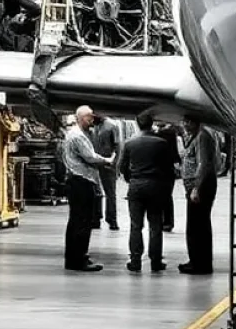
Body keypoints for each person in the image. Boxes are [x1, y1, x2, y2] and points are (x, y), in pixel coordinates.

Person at [118, 110, 175, 274]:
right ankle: (156, 261)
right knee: (155, 225)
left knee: (136, 225)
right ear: (152, 124)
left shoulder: (129, 143)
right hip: (156, 186)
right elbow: (168, 168)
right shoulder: (161, 143)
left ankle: (135, 261)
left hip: (136, 186)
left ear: (137, 123)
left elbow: (122, 167)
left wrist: (132, 179)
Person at [62, 106, 113, 272]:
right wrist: (108, 160)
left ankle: (74, 258)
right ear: (80, 118)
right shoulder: (78, 136)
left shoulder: (77, 134)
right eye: (89, 117)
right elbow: (90, 157)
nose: (92, 120)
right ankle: (79, 259)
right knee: (82, 222)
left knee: (76, 221)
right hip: (81, 182)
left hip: (77, 181)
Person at [180, 115, 220, 275]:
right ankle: (197, 261)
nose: (184, 124)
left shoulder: (202, 137)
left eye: (188, 121)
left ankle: (200, 263)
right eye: (184, 121)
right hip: (197, 186)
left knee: (197, 225)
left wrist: (196, 187)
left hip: (200, 187)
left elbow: (203, 163)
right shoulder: (197, 136)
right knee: (197, 225)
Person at [91, 115, 120, 230]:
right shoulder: (94, 126)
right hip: (95, 162)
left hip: (108, 163)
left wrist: (115, 164)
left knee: (110, 193)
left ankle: (112, 220)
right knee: (95, 192)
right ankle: (96, 218)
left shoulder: (111, 126)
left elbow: (118, 147)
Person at [154, 120, 182, 231]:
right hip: (168, 170)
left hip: (160, 170)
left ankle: (163, 221)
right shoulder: (171, 133)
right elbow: (175, 153)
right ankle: (168, 222)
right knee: (167, 197)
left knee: (161, 197)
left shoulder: (164, 133)